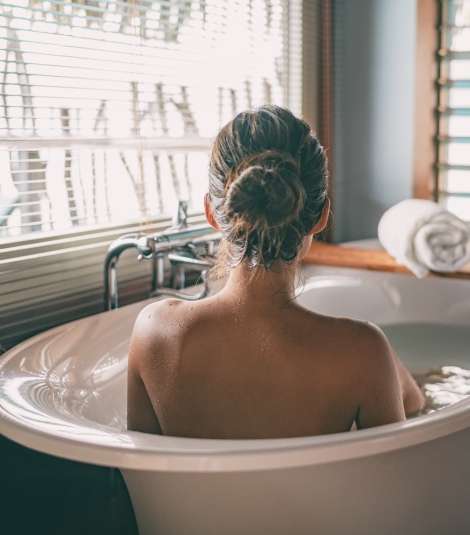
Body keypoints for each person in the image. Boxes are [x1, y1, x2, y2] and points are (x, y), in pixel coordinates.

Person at [127, 105, 425, 439]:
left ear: (212, 214)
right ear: (322, 216)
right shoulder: (362, 349)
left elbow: (141, 461)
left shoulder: (153, 330)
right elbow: (392, 473)